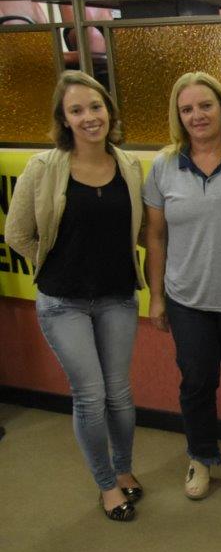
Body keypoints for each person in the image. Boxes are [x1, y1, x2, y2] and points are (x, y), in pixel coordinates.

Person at [6, 70, 145, 521]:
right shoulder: (43, 168)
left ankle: (124, 470)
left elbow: (142, 231)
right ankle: (106, 486)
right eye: (77, 110)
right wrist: (55, 264)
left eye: (96, 107)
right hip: (63, 303)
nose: (89, 117)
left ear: (109, 110)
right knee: (90, 395)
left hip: (117, 297)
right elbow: (17, 233)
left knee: (119, 394)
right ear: (64, 119)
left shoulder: (129, 166)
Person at [144, 72, 221, 502]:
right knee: (196, 382)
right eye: (187, 109)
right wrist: (156, 296)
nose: (197, 115)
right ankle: (200, 456)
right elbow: (155, 236)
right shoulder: (164, 166)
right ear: (178, 116)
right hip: (186, 298)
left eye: (205, 105)